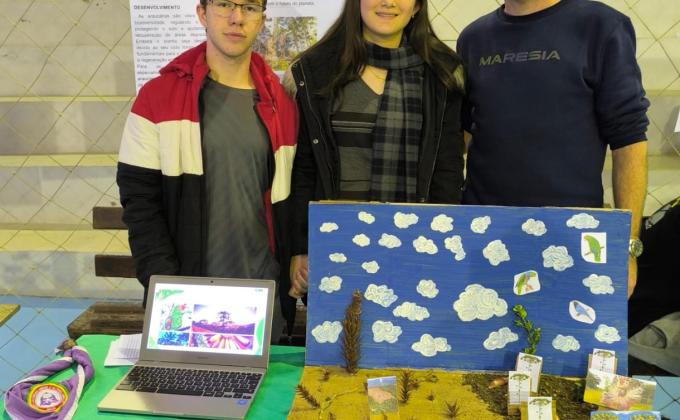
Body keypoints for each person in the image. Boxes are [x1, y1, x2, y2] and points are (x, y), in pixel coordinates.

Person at [116, 0, 298, 343]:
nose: (237, 18)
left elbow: (292, 196)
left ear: (261, 20)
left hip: (260, 293)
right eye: (225, 4)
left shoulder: (282, 105)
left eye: (249, 7)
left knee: (259, 380)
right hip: (184, 292)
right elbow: (139, 202)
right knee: (183, 379)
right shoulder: (157, 98)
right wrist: (164, 286)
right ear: (202, 13)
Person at [457, 0, 649, 297]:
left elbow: (630, 143)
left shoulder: (600, 26)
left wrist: (627, 248)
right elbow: (462, 134)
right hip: (483, 234)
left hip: (570, 237)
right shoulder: (474, 38)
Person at [285, 0, 466, 299]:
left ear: (417, 7)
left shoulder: (441, 72)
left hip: (415, 243)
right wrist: (301, 247)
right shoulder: (316, 69)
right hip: (334, 241)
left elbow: (446, 170)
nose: (388, 3)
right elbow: (305, 167)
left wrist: (442, 244)